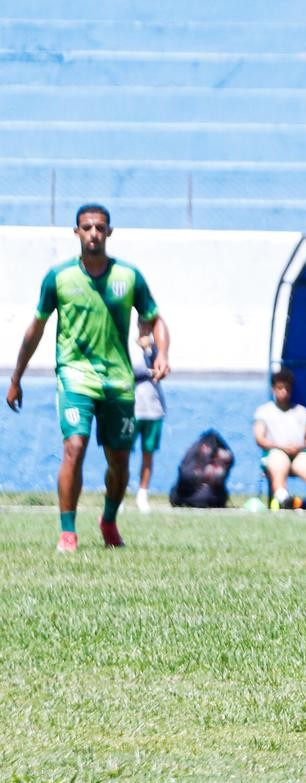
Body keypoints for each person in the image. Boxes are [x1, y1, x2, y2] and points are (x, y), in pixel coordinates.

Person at [6, 203, 170, 552]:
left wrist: (164, 354)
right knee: (74, 448)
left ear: (109, 232)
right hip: (74, 377)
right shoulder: (59, 278)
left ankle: (108, 520)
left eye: (99, 227)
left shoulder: (128, 277)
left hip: (118, 381)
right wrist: (16, 376)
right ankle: (68, 531)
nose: (93, 233)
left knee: (120, 461)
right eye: (87, 227)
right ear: (76, 232)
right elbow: (36, 328)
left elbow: (155, 319)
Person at [253, 367, 306, 511]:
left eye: (287, 388)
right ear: (273, 389)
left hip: (299, 453)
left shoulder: (301, 411)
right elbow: (260, 439)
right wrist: (281, 447)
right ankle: (283, 498)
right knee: (278, 462)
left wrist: (298, 447)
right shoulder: (264, 412)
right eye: (280, 388)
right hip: (275, 452)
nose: (284, 392)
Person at [132, 331, 166, 513]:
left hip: (154, 409)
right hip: (132, 408)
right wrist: (149, 372)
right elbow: (128, 372)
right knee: (121, 453)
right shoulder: (127, 343)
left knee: (148, 453)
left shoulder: (157, 348)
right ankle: (118, 495)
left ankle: (142, 494)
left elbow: (162, 370)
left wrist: (149, 349)